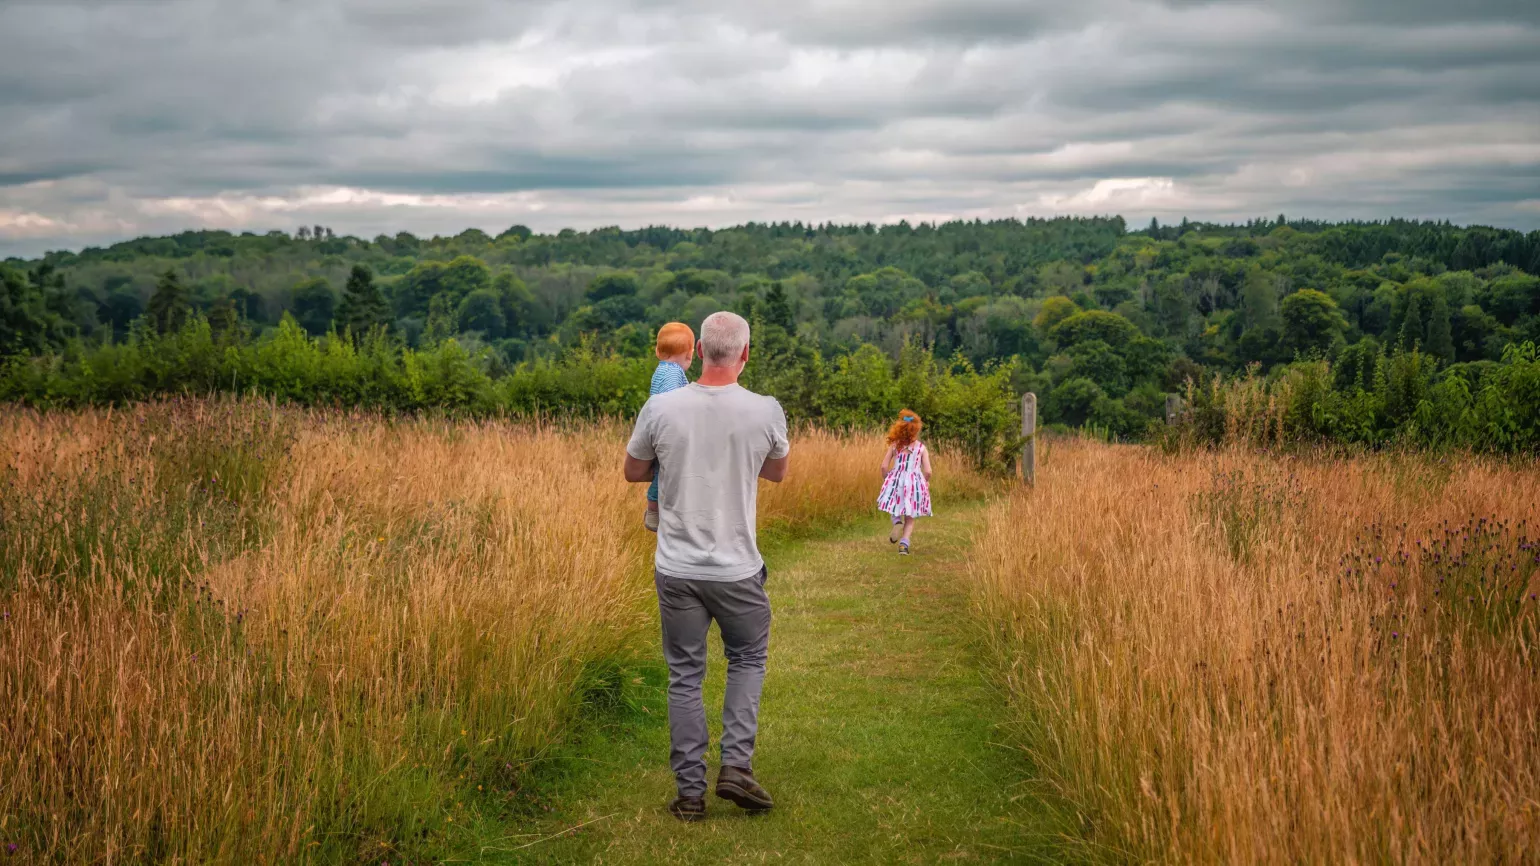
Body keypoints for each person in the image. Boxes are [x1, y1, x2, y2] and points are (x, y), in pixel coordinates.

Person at [623, 310, 790, 822]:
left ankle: (690, 793)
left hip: (676, 565)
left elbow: (633, 471)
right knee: (746, 660)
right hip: (737, 566)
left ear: (698, 352)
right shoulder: (765, 410)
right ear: (744, 354)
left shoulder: (661, 405)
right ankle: (736, 766)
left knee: (684, 675)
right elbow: (777, 471)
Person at [644, 322, 695, 532]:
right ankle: (653, 510)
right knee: (663, 472)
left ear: (657, 351)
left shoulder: (661, 370)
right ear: (690, 355)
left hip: (656, 428)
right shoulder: (673, 373)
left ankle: (654, 508)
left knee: (660, 470)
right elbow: (672, 403)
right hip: (667, 432)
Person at [877, 409, 932, 555]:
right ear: (916, 430)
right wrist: (924, 482)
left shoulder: (895, 445)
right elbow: (928, 471)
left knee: (893, 505)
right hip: (914, 484)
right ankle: (904, 544)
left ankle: (896, 522)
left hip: (896, 479)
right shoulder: (921, 448)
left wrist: (887, 479)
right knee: (910, 516)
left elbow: (883, 466)